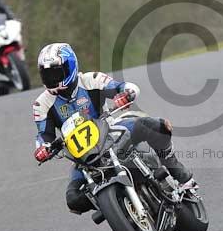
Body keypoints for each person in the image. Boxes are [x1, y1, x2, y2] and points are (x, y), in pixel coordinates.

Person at [32, 43, 194, 214]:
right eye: (46, 74)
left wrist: (126, 93)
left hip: (112, 134)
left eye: (56, 72)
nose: (52, 78)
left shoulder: (91, 80)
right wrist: (43, 148)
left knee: (157, 126)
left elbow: (120, 87)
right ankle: (113, 206)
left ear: (70, 67)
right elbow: (44, 135)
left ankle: (179, 174)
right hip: (83, 159)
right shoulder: (41, 104)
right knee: (73, 200)